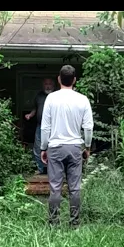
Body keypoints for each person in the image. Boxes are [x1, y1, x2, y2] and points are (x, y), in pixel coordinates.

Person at [40, 65, 93, 227]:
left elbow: (45, 127)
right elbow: (88, 127)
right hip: (75, 147)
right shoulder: (83, 99)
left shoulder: (51, 98)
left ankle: (54, 223)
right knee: (75, 188)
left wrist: (43, 148)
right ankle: (74, 223)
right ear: (74, 80)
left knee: (55, 187)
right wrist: (87, 147)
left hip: (55, 147)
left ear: (59, 79)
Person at [25, 77, 56, 174]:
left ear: (53, 85)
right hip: (40, 126)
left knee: (53, 148)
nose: (48, 86)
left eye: (50, 84)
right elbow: (36, 108)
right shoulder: (39, 96)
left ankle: (53, 170)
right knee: (38, 147)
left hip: (54, 127)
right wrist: (30, 115)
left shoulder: (57, 96)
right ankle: (40, 169)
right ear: (43, 85)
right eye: (46, 84)